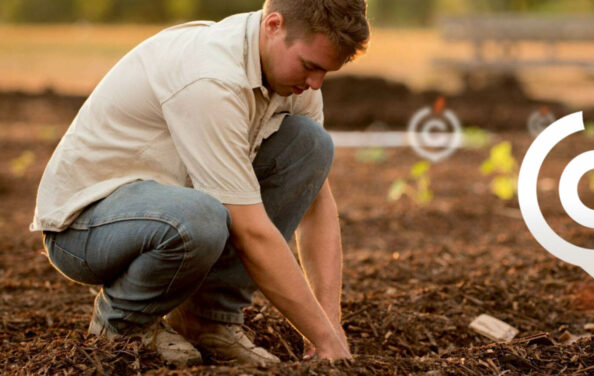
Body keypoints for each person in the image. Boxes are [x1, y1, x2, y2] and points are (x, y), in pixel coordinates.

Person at [29, 0, 369, 367]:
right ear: (273, 26)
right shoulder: (211, 78)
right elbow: (251, 232)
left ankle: (208, 320)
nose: (315, 83)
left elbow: (316, 204)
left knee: (310, 145)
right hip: (85, 225)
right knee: (201, 217)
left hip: (169, 207)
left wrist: (330, 328)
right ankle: (123, 324)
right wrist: (322, 338)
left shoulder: (294, 82)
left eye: (324, 72)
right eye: (310, 66)